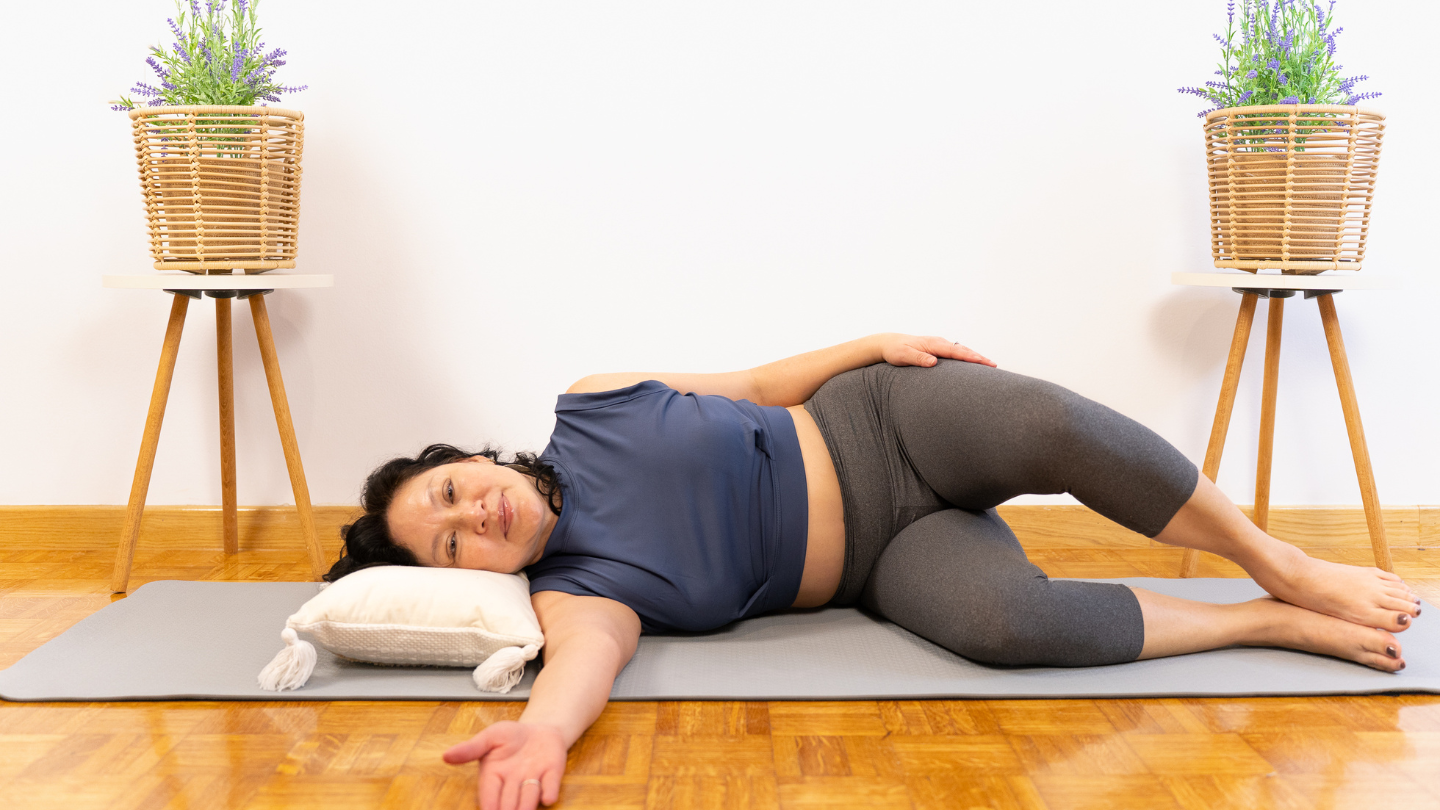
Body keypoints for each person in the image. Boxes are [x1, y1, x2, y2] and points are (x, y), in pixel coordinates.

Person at [326, 333, 1421, 810]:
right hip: (885, 560)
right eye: (454, 542)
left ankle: (1281, 561)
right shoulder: (579, 592)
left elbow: (755, 383)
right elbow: (584, 668)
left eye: (452, 492)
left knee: (1048, 421)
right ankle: (1259, 622)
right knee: (1005, 622)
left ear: (470, 459)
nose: (477, 515)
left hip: (885, 424)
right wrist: (545, 732)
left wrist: (873, 342)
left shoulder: (596, 401)